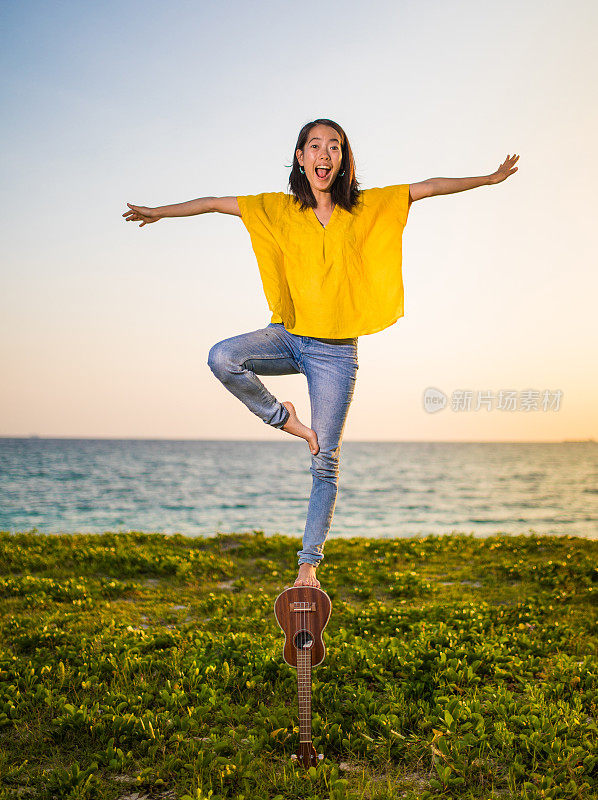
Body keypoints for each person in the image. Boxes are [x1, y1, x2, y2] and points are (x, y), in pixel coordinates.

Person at [123, 118, 519, 589]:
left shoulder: (367, 206)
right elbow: (211, 203)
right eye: (315, 146)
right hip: (288, 336)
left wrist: (489, 179)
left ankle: (307, 568)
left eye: (334, 146)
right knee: (221, 357)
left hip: (335, 354)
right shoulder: (278, 208)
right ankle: (282, 417)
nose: (324, 154)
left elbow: (429, 187)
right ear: (301, 157)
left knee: (325, 461)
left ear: (343, 159)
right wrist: (158, 212)